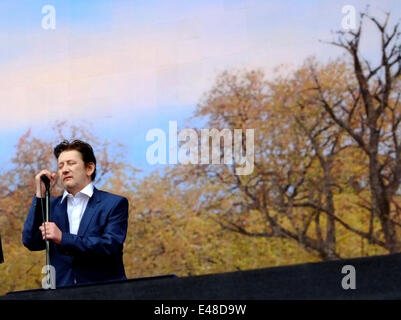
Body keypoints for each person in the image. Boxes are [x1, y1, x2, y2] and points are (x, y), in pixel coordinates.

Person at [22, 139, 129, 288]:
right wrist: (40, 196)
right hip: (61, 294)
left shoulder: (114, 204)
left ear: (89, 168)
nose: (64, 169)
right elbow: (31, 241)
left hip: (105, 293)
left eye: (71, 163)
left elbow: (110, 246)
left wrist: (63, 238)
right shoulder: (51, 206)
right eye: (60, 166)